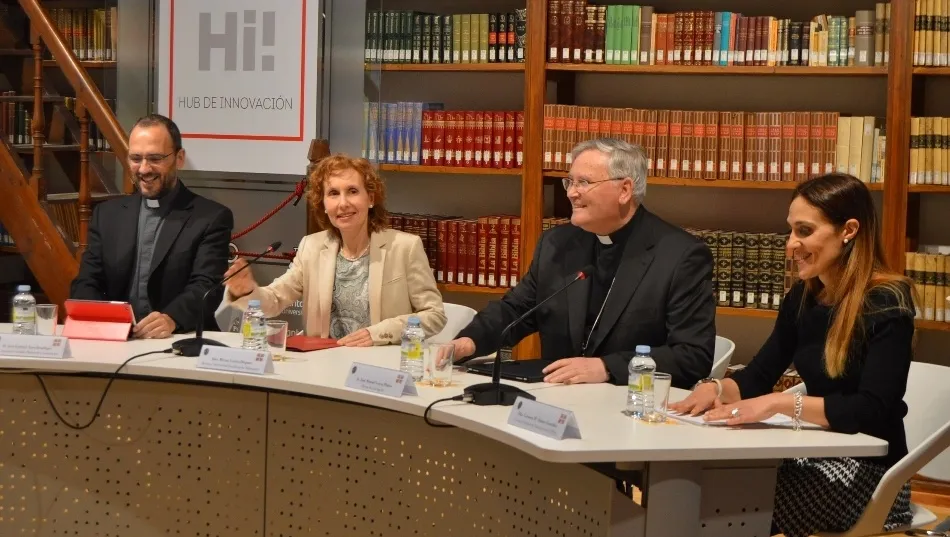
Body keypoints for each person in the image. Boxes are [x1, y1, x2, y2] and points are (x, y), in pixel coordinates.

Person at [669, 173, 915, 537]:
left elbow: (871, 408)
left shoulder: (887, 302)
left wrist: (779, 405)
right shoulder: (802, 298)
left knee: (725, 502)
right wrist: (715, 388)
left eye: (804, 231)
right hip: (814, 455)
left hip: (870, 474)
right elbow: (757, 376)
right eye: (791, 230)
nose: (790, 244)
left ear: (848, 230)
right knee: (698, 486)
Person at [450, 137, 716, 388]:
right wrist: (470, 341)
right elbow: (516, 310)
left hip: (629, 406)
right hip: (555, 402)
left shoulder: (681, 256)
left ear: (624, 190)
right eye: (570, 182)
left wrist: (606, 367)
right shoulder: (558, 243)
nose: (571, 194)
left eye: (584, 182)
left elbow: (692, 355)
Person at [221, 154, 446, 346]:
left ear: (371, 198)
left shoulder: (405, 247)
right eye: (333, 194)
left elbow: (434, 315)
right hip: (323, 366)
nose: (343, 203)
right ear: (324, 204)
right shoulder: (312, 246)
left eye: (352, 191)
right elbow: (274, 301)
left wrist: (377, 333)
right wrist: (246, 290)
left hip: (380, 370)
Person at [70, 114, 234, 339]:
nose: (144, 169)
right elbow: (87, 281)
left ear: (179, 158)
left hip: (178, 340)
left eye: (155, 158)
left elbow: (206, 286)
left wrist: (171, 318)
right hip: (115, 339)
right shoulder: (106, 215)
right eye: (136, 158)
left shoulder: (211, 217)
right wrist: (102, 320)